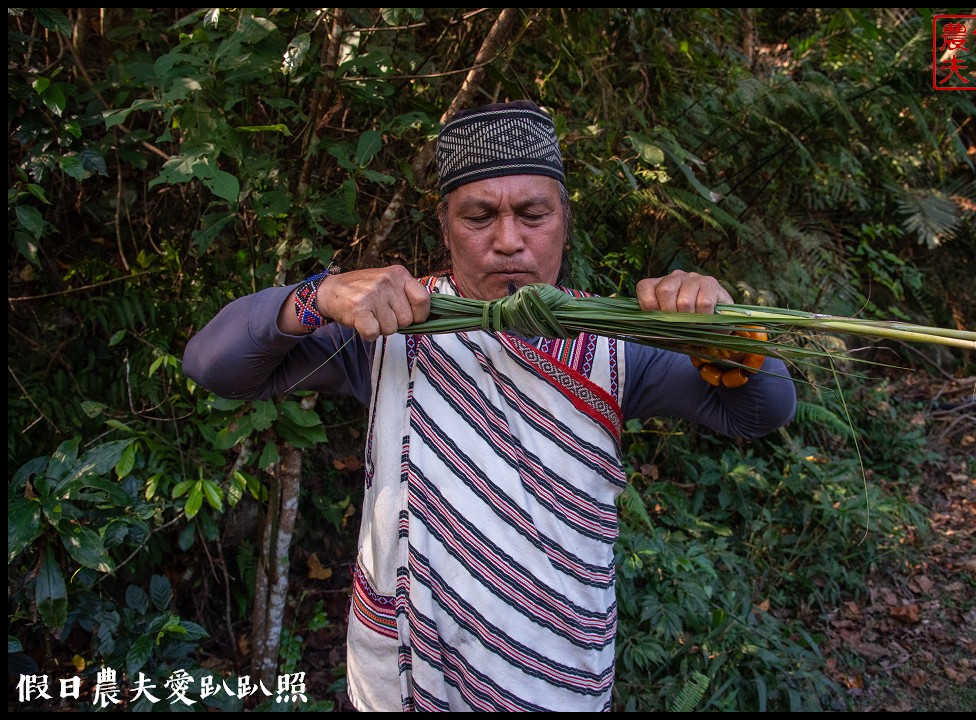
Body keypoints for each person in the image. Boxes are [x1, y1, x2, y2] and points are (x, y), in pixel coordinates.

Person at [182, 99, 797, 712]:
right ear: (445, 226)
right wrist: (314, 295)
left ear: (565, 218)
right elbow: (214, 366)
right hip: (400, 675)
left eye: (533, 214)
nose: (509, 242)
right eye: (479, 217)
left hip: (556, 676)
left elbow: (759, 411)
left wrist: (726, 335)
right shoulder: (393, 326)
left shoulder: (614, 346)